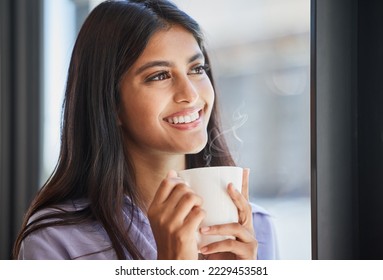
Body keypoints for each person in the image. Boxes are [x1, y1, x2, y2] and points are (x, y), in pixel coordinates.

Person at [13, 0, 278, 260]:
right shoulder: (56, 240)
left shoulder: (256, 229)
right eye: (159, 75)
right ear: (111, 103)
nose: (190, 94)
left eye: (196, 69)